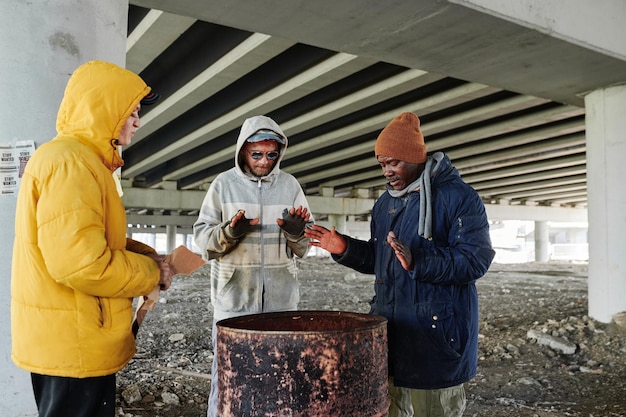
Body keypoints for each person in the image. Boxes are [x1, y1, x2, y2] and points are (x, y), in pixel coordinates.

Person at [304, 112, 495, 417]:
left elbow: (475, 260)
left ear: (415, 156)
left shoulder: (459, 197)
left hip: (436, 339)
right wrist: (343, 248)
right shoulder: (385, 203)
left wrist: (418, 261)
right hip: (391, 337)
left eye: (394, 162)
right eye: (382, 164)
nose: (386, 171)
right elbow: (380, 261)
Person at [11, 60, 173, 417]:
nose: (137, 121)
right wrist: (150, 273)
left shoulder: (77, 160)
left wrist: (151, 257)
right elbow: (82, 263)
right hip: (74, 343)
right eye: (129, 112)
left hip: (73, 339)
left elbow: (91, 241)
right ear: (104, 111)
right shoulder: (71, 163)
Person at [193, 114, 313, 417]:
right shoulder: (224, 186)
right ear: (243, 151)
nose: (264, 161)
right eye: (257, 154)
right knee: (229, 379)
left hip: (281, 306)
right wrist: (230, 233)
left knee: (279, 378)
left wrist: (297, 232)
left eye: (272, 154)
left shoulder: (290, 186)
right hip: (234, 303)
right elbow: (203, 241)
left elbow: (303, 249)